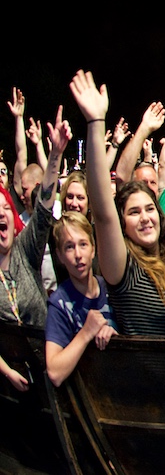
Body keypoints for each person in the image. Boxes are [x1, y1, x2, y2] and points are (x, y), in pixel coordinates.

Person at [70, 70, 165, 336]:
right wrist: (96, 122)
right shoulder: (124, 268)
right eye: (133, 212)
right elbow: (102, 208)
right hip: (145, 376)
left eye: (149, 209)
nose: (145, 217)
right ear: (122, 223)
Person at [0, 104, 71, 392]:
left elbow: (43, 209)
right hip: (11, 383)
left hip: (52, 372)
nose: (3, 213)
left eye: (6, 207)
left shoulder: (23, 250)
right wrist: (4, 371)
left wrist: (54, 155)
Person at [44, 211, 118, 387]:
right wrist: (86, 333)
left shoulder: (110, 288)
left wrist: (115, 336)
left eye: (83, 244)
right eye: (69, 247)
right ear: (60, 256)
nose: (78, 254)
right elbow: (54, 372)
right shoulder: (59, 303)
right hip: (89, 395)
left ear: (93, 249)